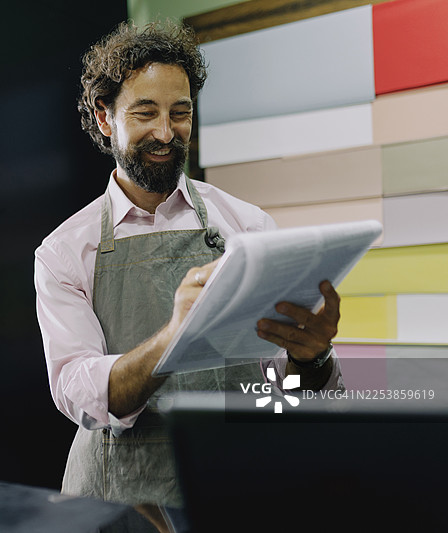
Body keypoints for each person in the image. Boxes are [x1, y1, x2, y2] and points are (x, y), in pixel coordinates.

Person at [34, 20, 345, 507]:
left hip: (233, 486)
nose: (165, 132)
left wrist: (311, 358)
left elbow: (281, 396)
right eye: (144, 113)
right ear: (103, 117)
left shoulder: (248, 226)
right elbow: (82, 397)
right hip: (116, 499)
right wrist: (174, 336)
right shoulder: (64, 252)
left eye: (180, 113)